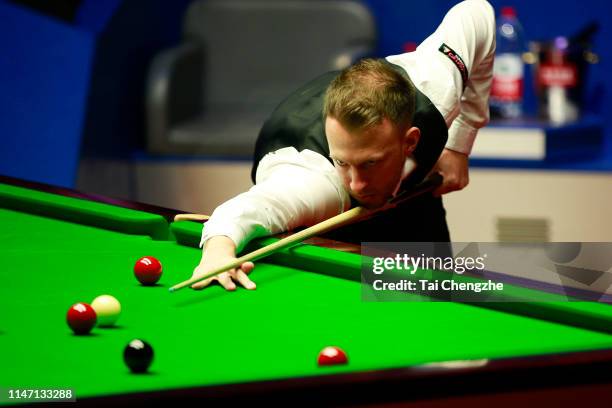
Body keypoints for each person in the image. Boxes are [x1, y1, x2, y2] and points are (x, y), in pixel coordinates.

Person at [190, 0, 495, 291]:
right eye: (344, 162)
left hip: (412, 201)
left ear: (410, 141)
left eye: (370, 162)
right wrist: (218, 252)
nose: (357, 183)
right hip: (331, 221)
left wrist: (459, 142)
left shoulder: (435, 86)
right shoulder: (314, 181)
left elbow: (477, 14)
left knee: (438, 298)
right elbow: (249, 210)